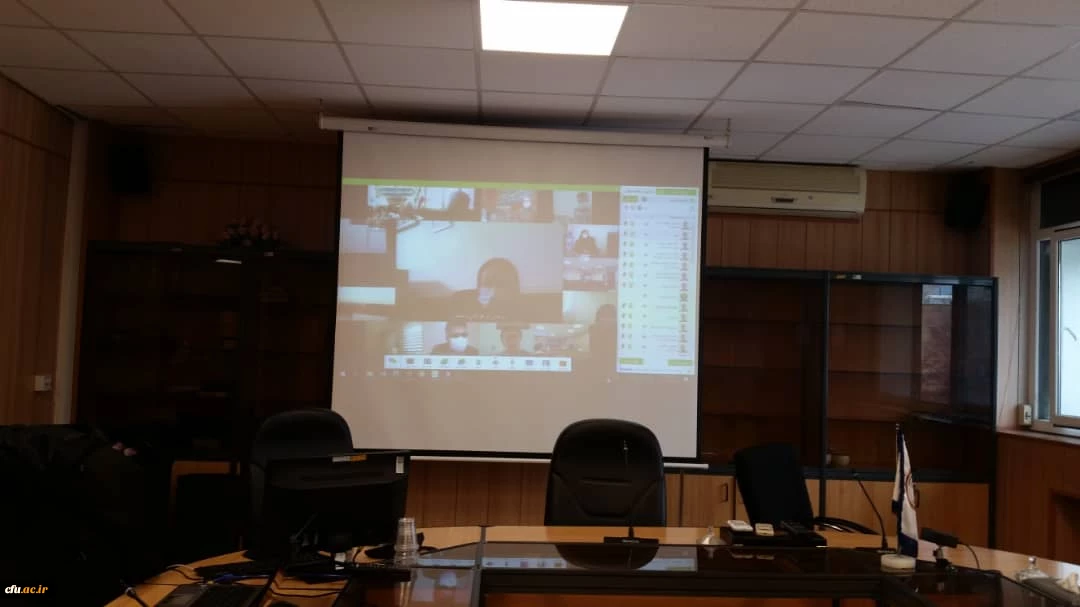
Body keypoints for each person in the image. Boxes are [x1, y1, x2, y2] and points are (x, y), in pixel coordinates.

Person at [449, 257, 521, 319]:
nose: (494, 291)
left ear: (514, 290)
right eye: (488, 284)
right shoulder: (460, 308)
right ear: (478, 289)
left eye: (501, 284)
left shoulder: (523, 315)